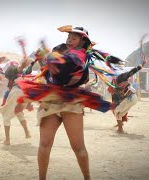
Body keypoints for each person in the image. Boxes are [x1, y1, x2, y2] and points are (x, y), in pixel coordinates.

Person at [16, 25, 116, 180]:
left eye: (74, 38)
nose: (69, 40)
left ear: (83, 41)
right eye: (68, 37)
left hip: (71, 102)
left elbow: (74, 67)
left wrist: (55, 61)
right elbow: (48, 67)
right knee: (44, 144)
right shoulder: (60, 50)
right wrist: (46, 58)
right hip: (51, 98)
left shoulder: (81, 57)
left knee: (78, 147)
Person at [0, 61, 32, 145]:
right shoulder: (21, 77)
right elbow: (20, 71)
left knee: (6, 116)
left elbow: (9, 87)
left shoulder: (11, 80)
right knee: (19, 113)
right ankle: (27, 132)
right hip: (25, 93)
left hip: (16, 92)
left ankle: (7, 140)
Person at [108, 59, 146, 133]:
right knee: (119, 113)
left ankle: (120, 129)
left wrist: (141, 65)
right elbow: (115, 99)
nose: (126, 82)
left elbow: (132, 72)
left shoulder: (121, 78)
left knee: (117, 111)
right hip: (133, 99)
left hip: (131, 98)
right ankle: (120, 126)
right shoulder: (115, 87)